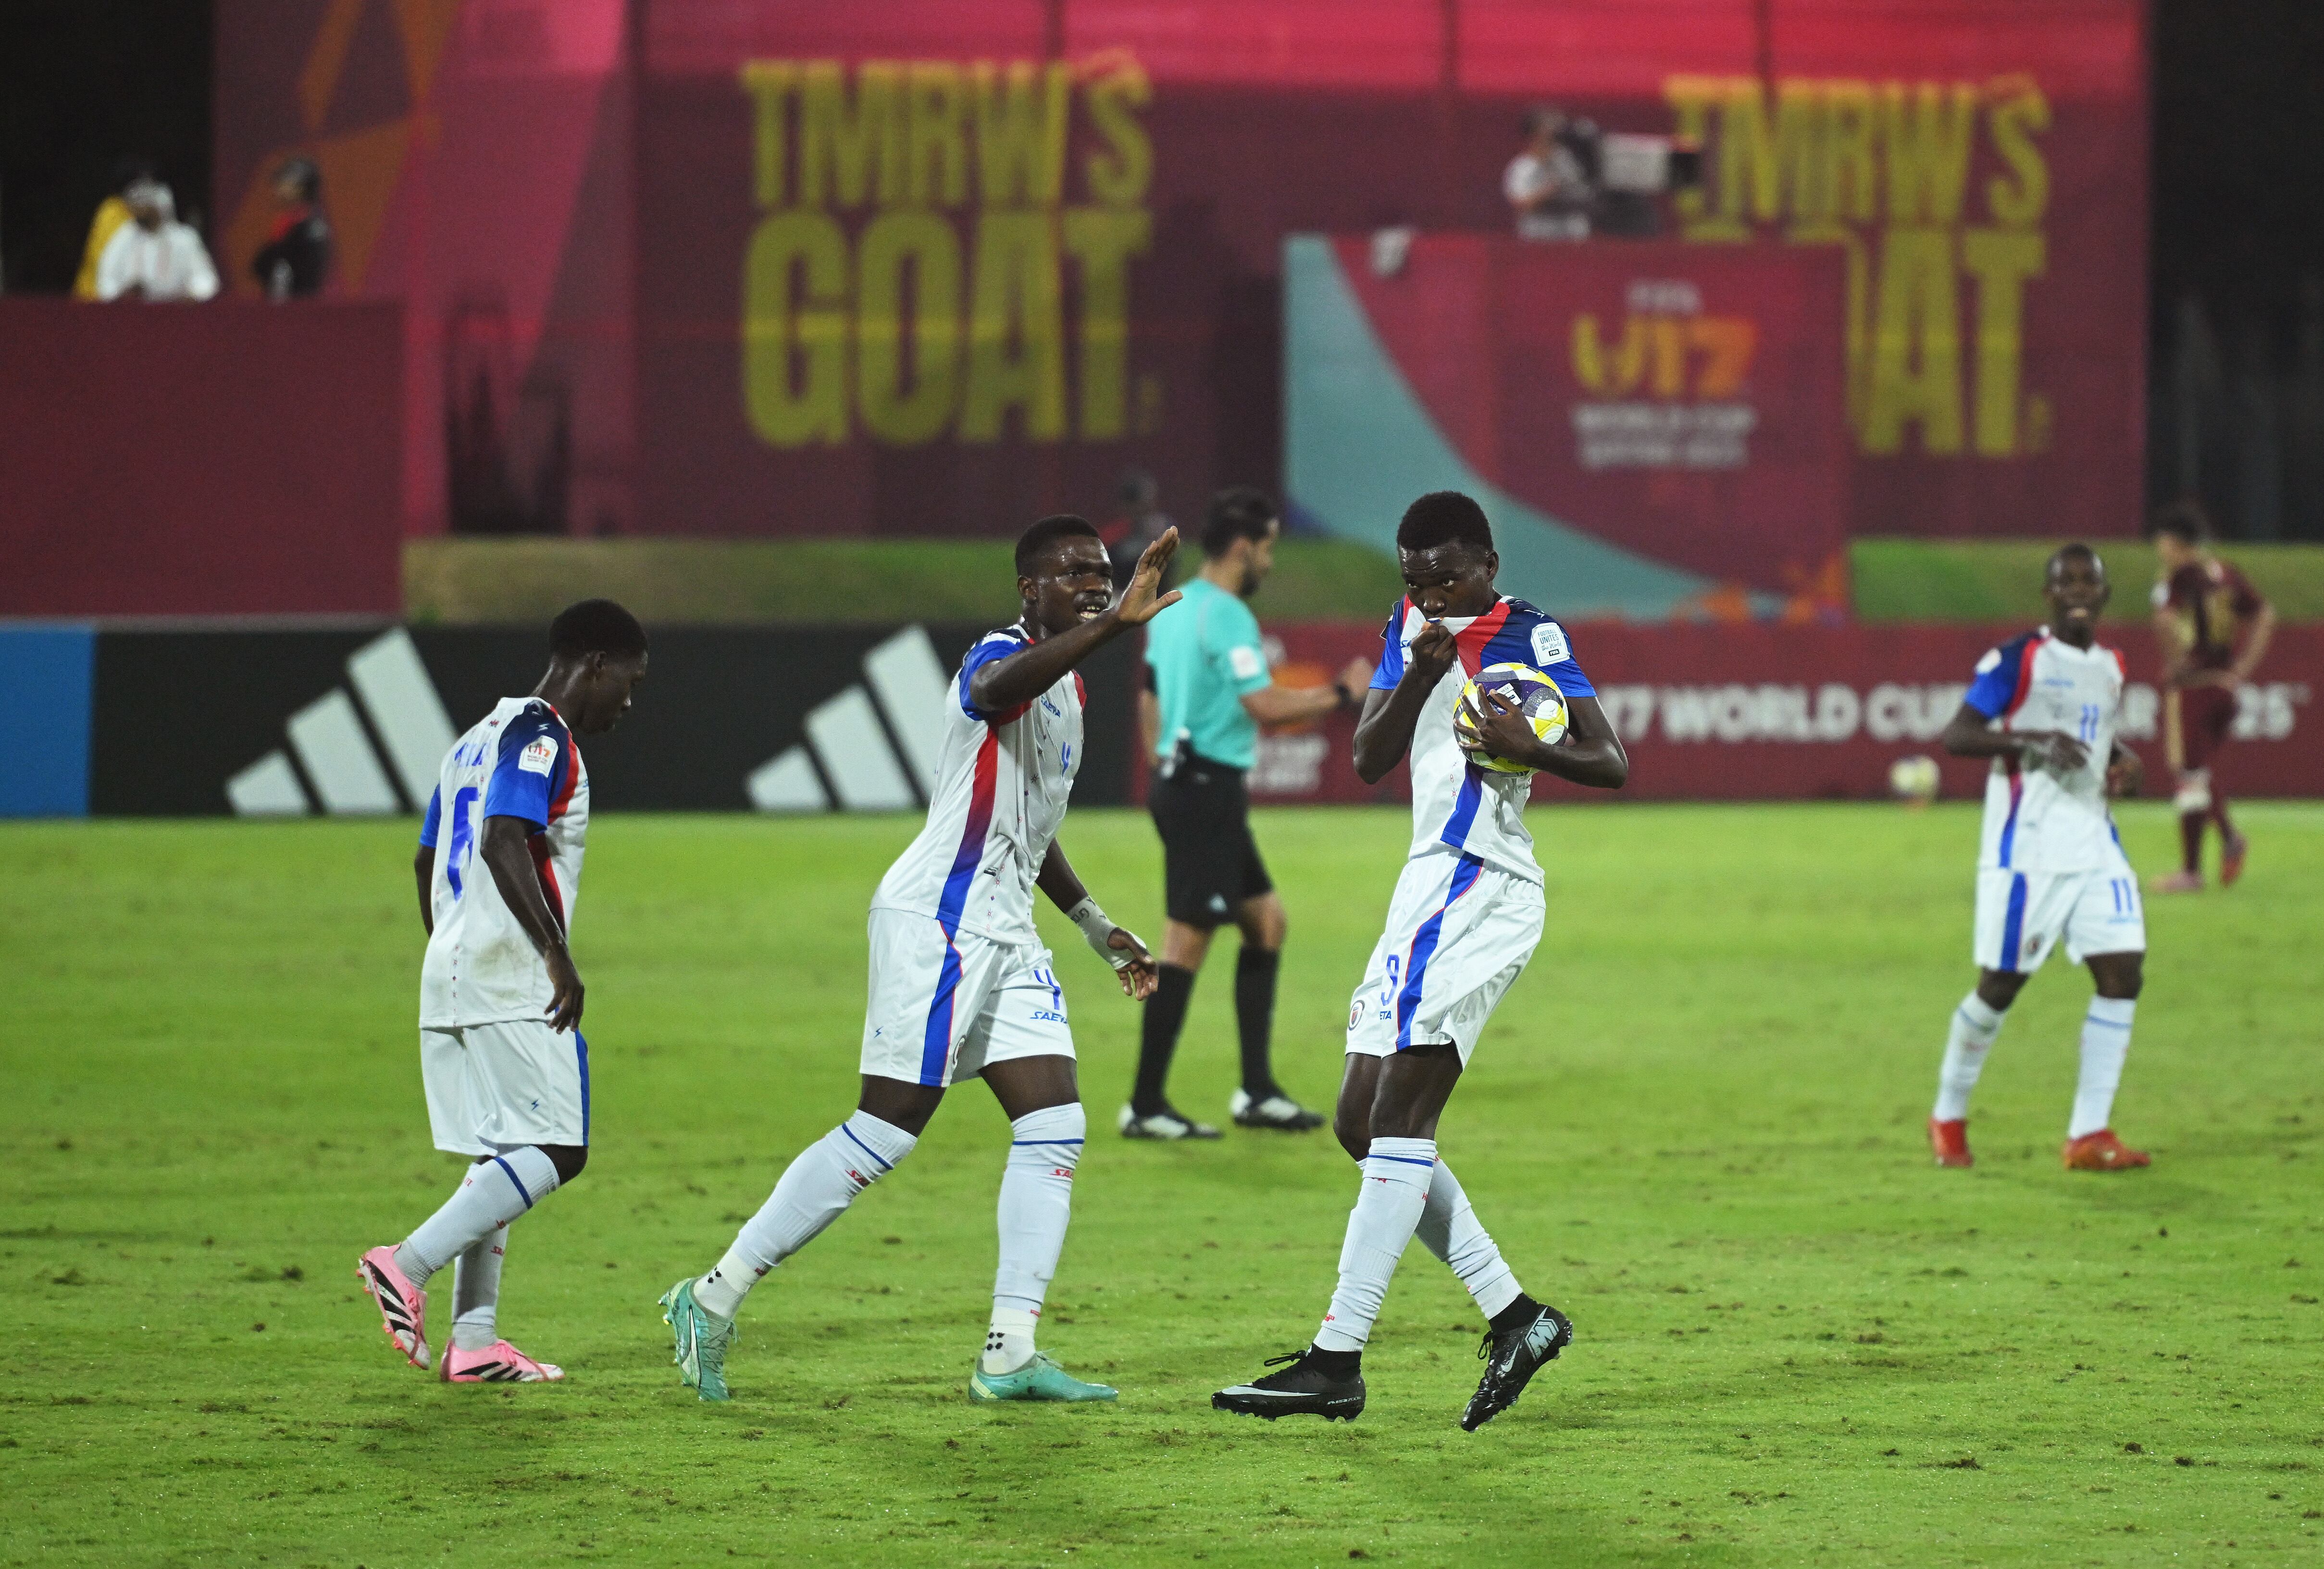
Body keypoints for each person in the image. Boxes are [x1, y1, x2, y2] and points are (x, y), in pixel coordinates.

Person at [660, 517, 1179, 1406]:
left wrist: (1097, 924)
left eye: (1103, 572)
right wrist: (1112, 628)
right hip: (939, 919)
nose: (1095, 583)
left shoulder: (1074, 696)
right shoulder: (998, 654)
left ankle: (1011, 1348)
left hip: (1007, 930)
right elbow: (991, 693)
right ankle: (710, 1295)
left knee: (1055, 1123)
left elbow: (1033, 831)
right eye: (1074, 573)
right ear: (1029, 589)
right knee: (887, 1129)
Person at [1213, 491, 1628, 1429]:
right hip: (1423, 891)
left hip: (1479, 887)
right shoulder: (1410, 627)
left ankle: (1334, 1359)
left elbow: (1607, 761)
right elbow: (1365, 757)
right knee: (1359, 1124)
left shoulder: (1529, 636)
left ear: (1486, 563)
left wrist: (1531, 744)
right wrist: (1412, 672)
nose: (1432, 593)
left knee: (1396, 1120)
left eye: (1446, 576)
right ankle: (1516, 1317)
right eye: (1414, 580)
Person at [357, 599, 650, 1382]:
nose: (629, 697)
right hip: (509, 969)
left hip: (454, 964)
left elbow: (427, 862)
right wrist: (555, 953)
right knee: (559, 1147)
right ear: (595, 664)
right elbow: (501, 837)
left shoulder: (469, 741)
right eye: (630, 679)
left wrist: (449, 952)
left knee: (503, 1151)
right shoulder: (541, 735)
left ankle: (476, 1337)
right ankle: (405, 1262)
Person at [1124, 486, 1373, 1139]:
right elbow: (1261, 706)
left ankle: (1256, 1092)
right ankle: (1145, 1104)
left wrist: (1160, 768)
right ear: (1242, 548)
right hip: (1204, 790)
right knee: (1187, 940)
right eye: (1265, 549)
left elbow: (1148, 698)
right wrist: (1341, 694)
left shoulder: (1171, 607)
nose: (1268, 562)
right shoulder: (1229, 615)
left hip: (1188, 786)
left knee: (1264, 922)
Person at [1926, 546, 2150, 1174]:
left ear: (2104, 593)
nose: (2077, 590)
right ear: (2047, 594)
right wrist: (2031, 740)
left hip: (2093, 840)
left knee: (2122, 973)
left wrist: (2120, 760)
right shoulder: (2017, 658)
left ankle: (2088, 1133)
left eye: (2089, 580)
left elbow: (2095, 735)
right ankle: (1946, 1113)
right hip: (2026, 848)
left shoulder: (2110, 665)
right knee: (1999, 988)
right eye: (2065, 581)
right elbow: (1958, 733)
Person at [2148, 503, 2275, 893]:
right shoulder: (2225, 572)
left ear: (2174, 543)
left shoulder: (2180, 575)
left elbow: (2165, 619)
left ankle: (2192, 870)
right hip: (2225, 685)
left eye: (2162, 542)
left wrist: (2176, 663)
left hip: (2197, 684)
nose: (2159, 549)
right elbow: (2265, 614)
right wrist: (2243, 667)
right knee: (2199, 773)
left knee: (2188, 775)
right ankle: (2228, 837)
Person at [92, 179, 218, 302]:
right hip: (134, 313)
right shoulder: (125, 236)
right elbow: (107, 276)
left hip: (176, 313)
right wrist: (122, 293)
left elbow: (204, 278)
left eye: (146, 206)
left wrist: (192, 295)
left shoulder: (184, 238)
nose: (140, 210)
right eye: (138, 205)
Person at [1504, 106, 1593, 242]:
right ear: (1535, 134)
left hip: (1572, 234)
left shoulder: (1567, 161)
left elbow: (1584, 192)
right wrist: (1547, 191)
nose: (1554, 132)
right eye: (1548, 127)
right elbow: (1521, 203)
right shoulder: (1522, 167)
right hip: (1541, 235)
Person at [71, 157, 156, 300]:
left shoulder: (141, 217)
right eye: (144, 184)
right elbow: (101, 259)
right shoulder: (112, 211)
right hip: (93, 298)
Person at [252, 156, 332, 299]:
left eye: (285, 182)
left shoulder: (312, 227)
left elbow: (308, 274)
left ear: (300, 188)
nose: (278, 188)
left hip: (300, 308)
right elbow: (261, 265)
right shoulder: (287, 222)